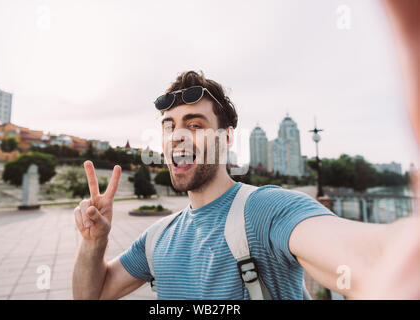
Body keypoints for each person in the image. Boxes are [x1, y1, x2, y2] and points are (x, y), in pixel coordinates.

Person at [72, 3, 420, 300]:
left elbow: (366, 258)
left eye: (195, 125)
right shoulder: (157, 237)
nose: (177, 135)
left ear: (226, 139)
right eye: (169, 125)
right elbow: (93, 293)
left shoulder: (267, 211)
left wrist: (400, 260)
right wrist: (93, 243)